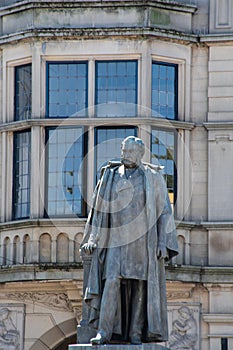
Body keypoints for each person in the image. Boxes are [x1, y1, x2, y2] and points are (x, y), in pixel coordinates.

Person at [81, 136, 179, 345]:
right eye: (123, 151)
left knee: (139, 286)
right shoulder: (110, 176)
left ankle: (135, 333)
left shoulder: (152, 177)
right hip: (115, 240)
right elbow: (99, 210)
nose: (125, 155)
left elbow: (164, 212)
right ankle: (104, 332)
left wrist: (163, 242)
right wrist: (93, 237)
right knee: (111, 282)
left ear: (140, 154)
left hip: (144, 241)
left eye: (130, 152)